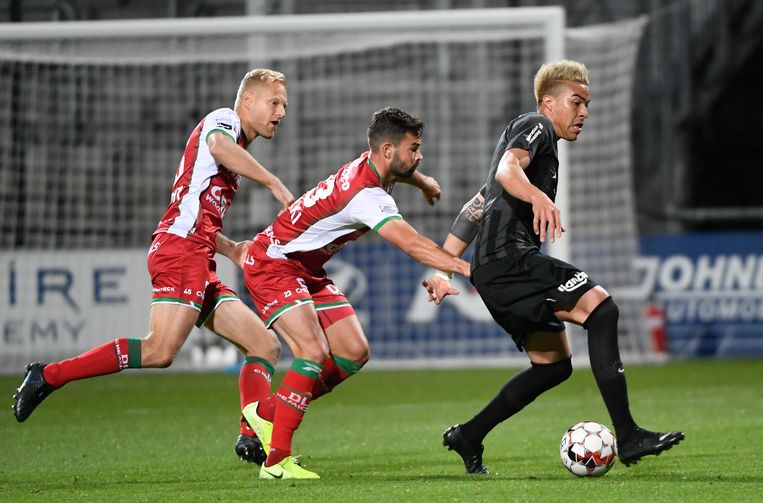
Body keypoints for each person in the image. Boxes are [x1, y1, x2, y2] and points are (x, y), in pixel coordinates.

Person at [12, 69, 294, 466]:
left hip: (197, 253)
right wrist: (272, 182)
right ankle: (49, 376)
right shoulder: (223, 122)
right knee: (161, 350)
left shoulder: (234, 147)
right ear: (248, 101)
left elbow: (192, 208)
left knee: (264, 344)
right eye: (274, 102)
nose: (281, 111)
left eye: (284, 104)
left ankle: (252, 434)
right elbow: (217, 146)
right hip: (181, 252)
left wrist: (230, 249)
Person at [421, 59, 684, 474]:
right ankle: (629, 435)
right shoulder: (536, 125)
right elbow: (508, 171)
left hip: (496, 270)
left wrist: (443, 270)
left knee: (554, 367)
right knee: (602, 308)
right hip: (511, 260)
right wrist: (539, 198)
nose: (584, 113)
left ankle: (468, 435)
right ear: (548, 102)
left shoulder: (539, 147)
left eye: (587, 105)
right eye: (576, 102)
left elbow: (477, 207)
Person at [216, 106, 470, 479]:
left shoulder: (373, 165)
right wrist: (465, 268)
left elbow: (401, 172)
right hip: (275, 265)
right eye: (414, 149)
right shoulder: (366, 195)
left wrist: (423, 181)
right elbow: (412, 244)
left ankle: (267, 412)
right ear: (388, 150)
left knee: (353, 351)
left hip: (305, 268)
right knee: (313, 352)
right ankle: (276, 461)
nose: (419, 156)